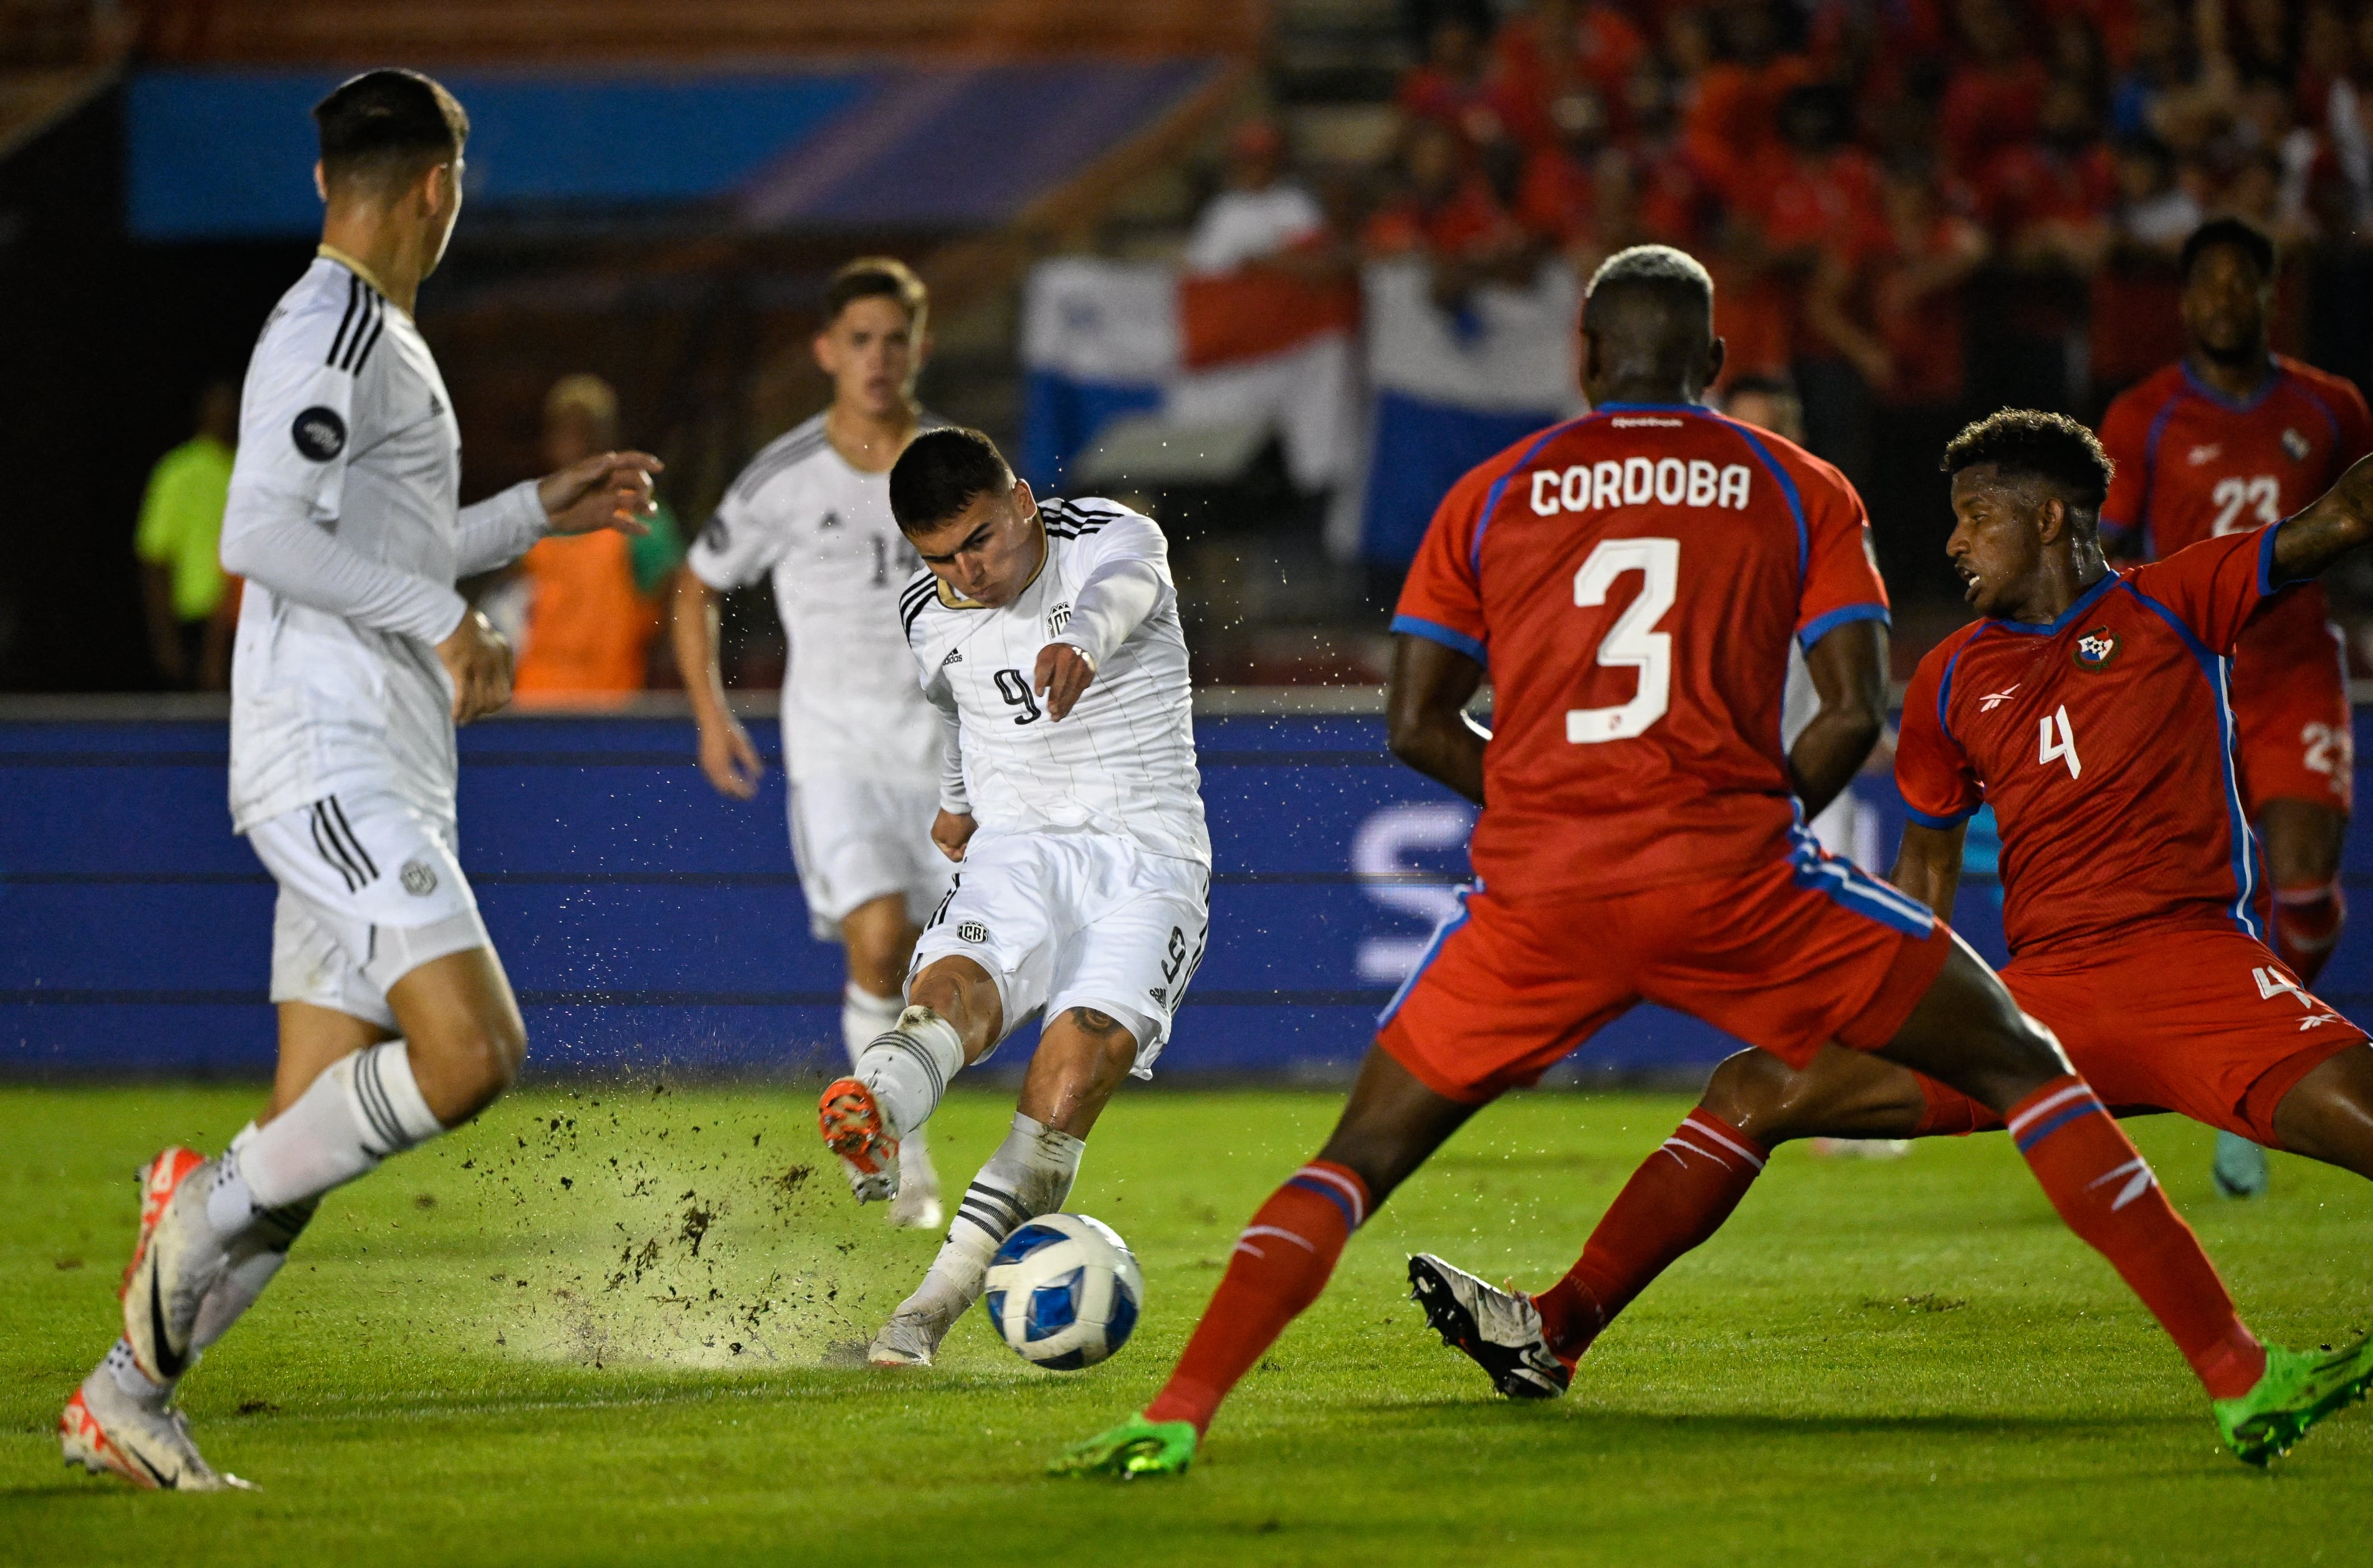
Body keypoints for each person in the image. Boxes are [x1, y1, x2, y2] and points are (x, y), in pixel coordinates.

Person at [1053, 245, 2354, 1480]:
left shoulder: (1491, 488)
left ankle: (1175, 1414)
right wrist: (1741, 825)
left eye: (1974, 521)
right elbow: (1850, 716)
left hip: (1555, 889)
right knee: (2004, 1065)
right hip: (1756, 883)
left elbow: (1410, 720)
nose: (1955, 543)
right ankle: (2234, 1373)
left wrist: (1558, 804)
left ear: (1579, 358)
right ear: (1715, 356)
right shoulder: (1805, 493)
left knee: (1357, 1154)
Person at [1408, 411, 2373, 1460]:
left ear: (2049, 517)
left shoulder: (2177, 598)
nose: (1952, 543)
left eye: (1974, 518)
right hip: (2040, 1005)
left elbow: (2344, 513)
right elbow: (1920, 879)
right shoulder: (1952, 681)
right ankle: (1553, 1328)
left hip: (2198, 975)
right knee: (1755, 1085)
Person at [58, 68, 657, 1492]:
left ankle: (124, 1392)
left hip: (379, 752)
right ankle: (199, 1199)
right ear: (442, 188)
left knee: (312, 1139)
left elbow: (364, 536)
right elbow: (266, 534)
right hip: (332, 756)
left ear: (330, 180)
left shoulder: (372, 331)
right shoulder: (330, 329)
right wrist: (449, 618)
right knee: (469, 1054)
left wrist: (524, 518)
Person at [816, 427, 1210, 1368]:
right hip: (1018, 851)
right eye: (941, 556)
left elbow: (1123, 591)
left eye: (982, 541)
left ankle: (924, 1314)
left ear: (1024, 502)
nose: (968, 572)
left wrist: (1081, 636)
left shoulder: (1111, 536)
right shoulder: (927, 611)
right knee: (950, 996)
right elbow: (958, 705)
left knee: (1067, 1086)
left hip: (1148, 859)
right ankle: (874, 1110)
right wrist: (957, 804)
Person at [671, 257, 952, 1230]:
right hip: (835, 750)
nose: (878, 359)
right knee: (877, 937)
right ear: (827, 352)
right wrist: (713, 715)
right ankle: (897, 1156)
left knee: (937, 970)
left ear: (923, 346)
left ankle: (896, 1110)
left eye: (895, 339)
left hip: (951, 754)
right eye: (860, 340)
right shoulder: (788, 475)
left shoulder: (957, 463)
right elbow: (699, 582)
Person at [2097, 217, 2373, 1197]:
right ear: (2184, 301)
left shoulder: (2332, 408)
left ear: (2269, 294)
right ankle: (2234, 1076)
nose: (2223, 298)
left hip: (2295, 669)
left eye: (2240, 282)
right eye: (2206, 283)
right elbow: (2106, 553)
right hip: (2189, 683)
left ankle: (2266, 1077)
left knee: (2303, 887)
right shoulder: (2143, 418)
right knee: (2193, 902)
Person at [507, 374, 684, 700]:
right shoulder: (528, 519)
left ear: (607, 440)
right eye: (566, 431)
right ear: (549, 440)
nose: (576, 446)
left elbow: (677, 608)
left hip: (610, 714)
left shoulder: (639, 515)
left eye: (586, 432)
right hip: (532, 710)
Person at [135, 381, 239, 691]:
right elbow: (154, 559)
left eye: (233, 409)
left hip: (244, 622)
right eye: (221, 408)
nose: (228, 416)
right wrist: (166, 642)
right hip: (194, 622)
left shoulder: (248, 470)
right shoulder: (179, 471)